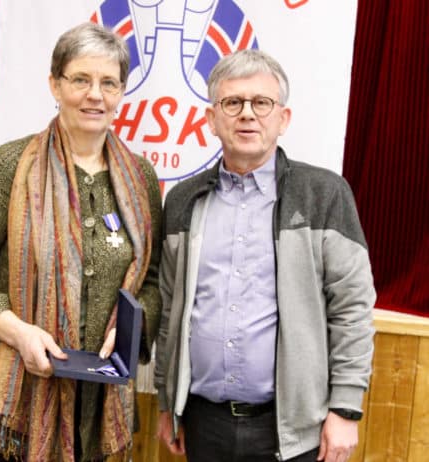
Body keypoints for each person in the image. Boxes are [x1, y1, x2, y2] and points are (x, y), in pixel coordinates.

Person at [0, 22, 162, 462]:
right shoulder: (10, 166)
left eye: (109, 83)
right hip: (8, 417)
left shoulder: (141, 179)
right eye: (80, 80)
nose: (95, 95)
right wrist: (19, 333)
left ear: (121, 92)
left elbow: (151, 279)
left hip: (97, 417)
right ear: (55, 85)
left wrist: (131, 329)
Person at [154, 49, 376, 462]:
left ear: (283, 118)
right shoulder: (183, 201)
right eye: (232, 103)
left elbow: (352, 309)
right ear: (211, 119)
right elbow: (170, 312)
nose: (247, 114)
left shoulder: (324, 195)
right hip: (204, 425)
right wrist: (168, 403)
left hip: (293, 431)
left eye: (261, 103)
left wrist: (346, 408)